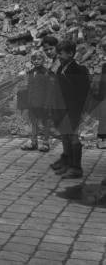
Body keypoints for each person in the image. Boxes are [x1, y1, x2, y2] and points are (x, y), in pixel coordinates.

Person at [51, 40, 90, 179]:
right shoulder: (61, 68)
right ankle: (67, 162)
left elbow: (82, 93)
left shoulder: (78, 71)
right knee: (65, 136)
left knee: (73, 137)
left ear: (70, 53)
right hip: (62, 108)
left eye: (61, 54)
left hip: (73, 109)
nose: (58, 57)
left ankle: (76, 168)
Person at [19, 50, 54, 152]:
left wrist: (47, 103)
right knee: (33, 122)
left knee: (45, 123)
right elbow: (29, 88)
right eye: (34, 59)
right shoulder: (30, 73)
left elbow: (49, 90)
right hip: (32, 102)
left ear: (43, 60)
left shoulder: (47, 73)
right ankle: (33, 142)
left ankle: (45, 143)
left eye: (39, 59)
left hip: (43, 103)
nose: (36, 61)